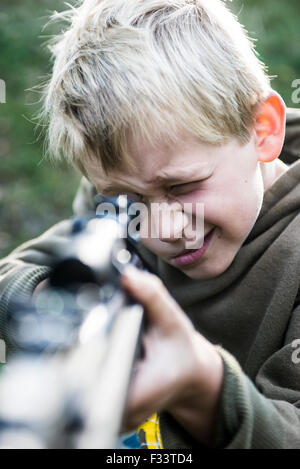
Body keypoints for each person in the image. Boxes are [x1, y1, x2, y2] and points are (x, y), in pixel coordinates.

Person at [1, 0, 300, 449]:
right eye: (126, 199)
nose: (161, 228)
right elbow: (11, 274)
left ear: (262, 129)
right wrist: (59, 304)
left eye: (182, 188)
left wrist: (205, 387)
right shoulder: (116, 213)